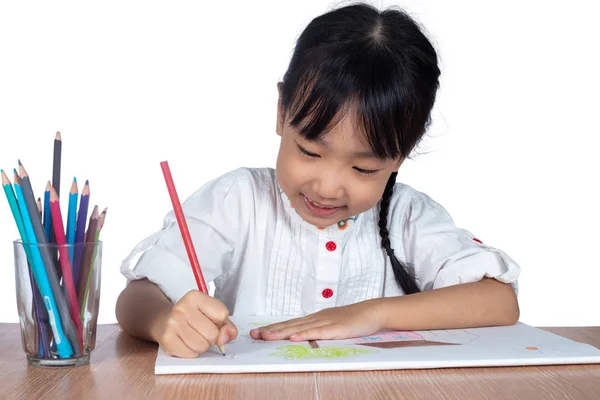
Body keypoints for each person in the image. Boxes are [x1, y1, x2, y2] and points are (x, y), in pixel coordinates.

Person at [116, 2, 520, 358]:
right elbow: (136, 298)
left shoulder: (407, 215)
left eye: (364, 169)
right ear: (280, 112)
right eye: (309, 151)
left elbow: (499, 302)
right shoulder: (237, 200)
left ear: (403, 153)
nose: (327, 188)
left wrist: (371, 314)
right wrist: (165, 321)